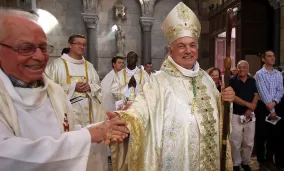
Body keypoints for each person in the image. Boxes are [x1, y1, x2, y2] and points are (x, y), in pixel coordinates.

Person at [107, 2, 235, 171]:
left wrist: (226, 101)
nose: (188, 50)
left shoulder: (206, 80)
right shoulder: (158, 82)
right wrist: (125, 119)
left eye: (192, 45)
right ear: (171, 50)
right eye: (181, 46)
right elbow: (141, 109)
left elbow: (220, 117)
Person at [0, 9, 128, 171]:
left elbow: (69, 132)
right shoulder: (58, 67)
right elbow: (8, 157)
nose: (40, 57)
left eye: (43, 47)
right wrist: (88, 135)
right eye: (26, 48)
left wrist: (102, 128)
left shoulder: (55, 92)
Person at [45, 34, 109, 171]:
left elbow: (98, 86)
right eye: (78, 43)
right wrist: (73, 87)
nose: (82, 47)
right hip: (67, 117)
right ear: (70, 45)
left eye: (84, 44)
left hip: (89, 115)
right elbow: (48, 89)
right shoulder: (56, 66)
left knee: (90, 155)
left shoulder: (89, 66)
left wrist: (90, 87)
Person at [255, 50, 284, 171]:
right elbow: (262, 91)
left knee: (274, 135)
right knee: (262, 135)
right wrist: (271, 109)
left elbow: (280, 90)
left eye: (273, 56)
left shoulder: (278, 74)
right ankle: (261, 161)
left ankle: (269, 159)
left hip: (275, 107)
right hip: (263, 108)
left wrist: (275, 102)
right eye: (269, 56)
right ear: (263, 59)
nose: (272, 58)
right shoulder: (259, 74)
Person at [229, 60, 259, 171]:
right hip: (236, 114)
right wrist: (248, 105)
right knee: (235, 141)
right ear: (236, 68)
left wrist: (252, 107)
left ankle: (246, 162)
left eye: (244, 67)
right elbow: (233, 97)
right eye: (239, 67)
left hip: (250, 115)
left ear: (248, 68)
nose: (241, 69)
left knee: (249, 141)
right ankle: (236, 163)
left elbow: (256, 94)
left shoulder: (252, 80)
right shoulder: (232, 81)